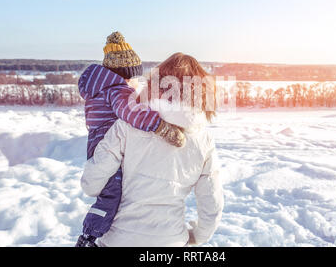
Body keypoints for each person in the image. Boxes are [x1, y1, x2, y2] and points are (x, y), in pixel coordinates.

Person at [81, 53, 224, 247]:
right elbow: (212, 203)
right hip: (171, 242)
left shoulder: (127, 126)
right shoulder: (204, 140)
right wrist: (199, 236)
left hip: (118, 240)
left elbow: (92, 184)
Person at [75, 33, 186, 247]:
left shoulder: (101, 89)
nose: (135, 83)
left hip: (100, 143)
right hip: (105, 147)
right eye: (133, 78)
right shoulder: (117, 91)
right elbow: (132, 113)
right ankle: (89, 236)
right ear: (124, 74)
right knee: (112, 192)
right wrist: (162, 127)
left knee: (120, 187)